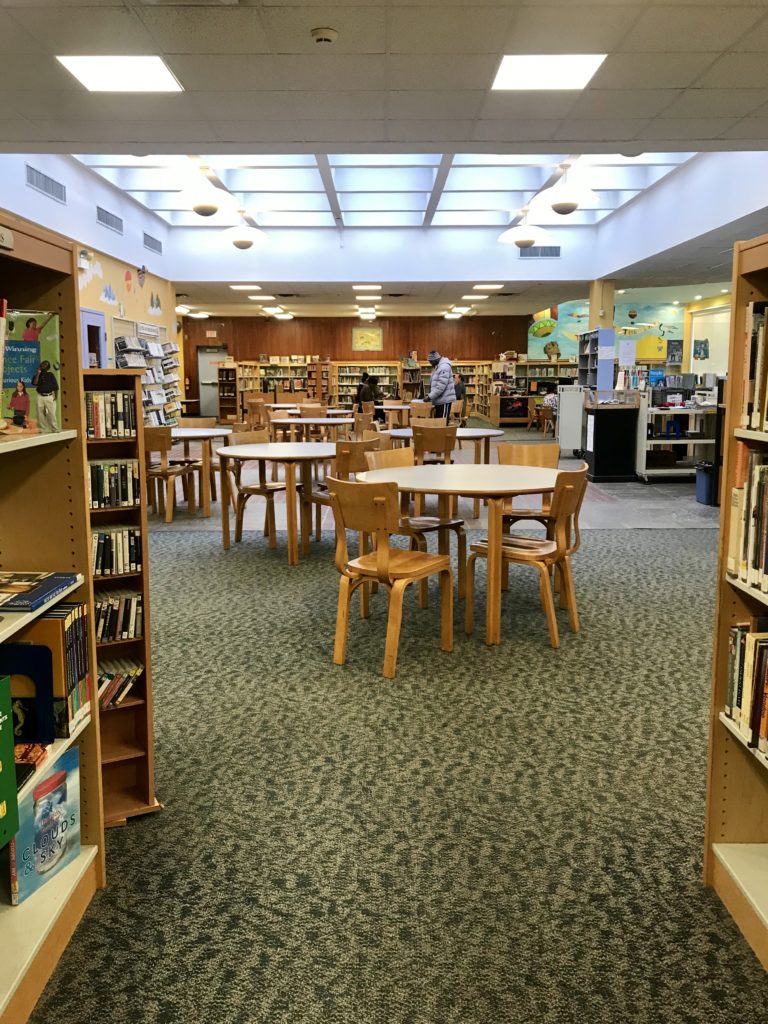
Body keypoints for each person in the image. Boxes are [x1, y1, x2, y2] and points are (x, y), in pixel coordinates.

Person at [427, 350, 456, 420]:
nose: (430, 364)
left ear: (435, 359)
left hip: (444, 400)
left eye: (431, 362)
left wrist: (430, 397)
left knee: (442, 423)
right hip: (440, 400)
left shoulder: (444, 367)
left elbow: (440, 386)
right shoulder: (437, 367)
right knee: (438, 423)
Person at [32, 360, 59, 433]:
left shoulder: (50, 375)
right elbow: (35, 383)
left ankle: (54, 429)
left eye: (45, 364)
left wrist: (56, 396)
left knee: (51, 413)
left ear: (48, 367)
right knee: (40, 413)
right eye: (42, 364)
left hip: (49, 396)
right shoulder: (37, 375)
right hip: (40, 396)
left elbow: (56, 386)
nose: (43, 365)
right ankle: (42, 429)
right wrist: (38, 373)